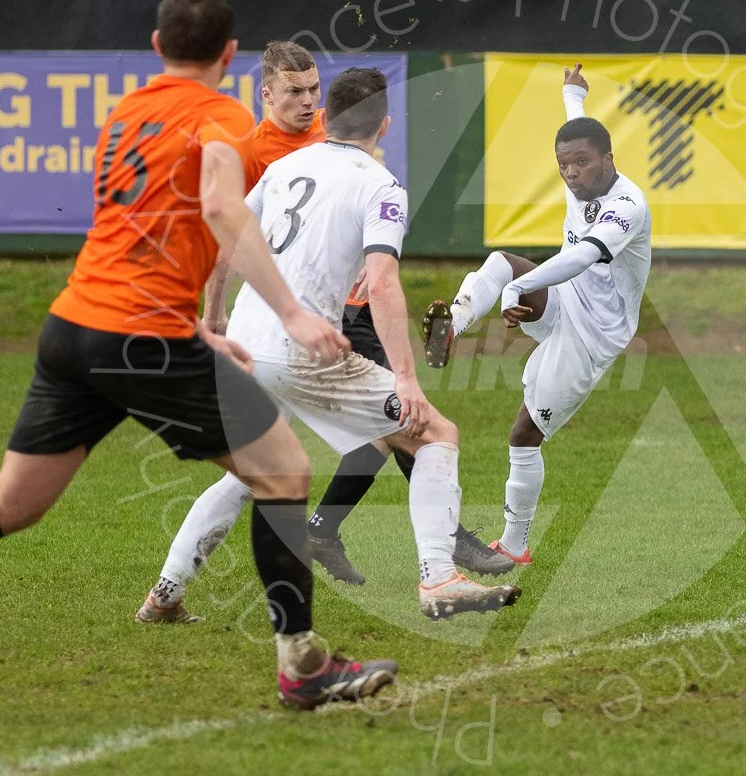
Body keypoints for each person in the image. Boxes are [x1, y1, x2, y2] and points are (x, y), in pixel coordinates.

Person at [0, 0, 395, 712]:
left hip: (75, 325)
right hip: (141, 335)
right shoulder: (219, 115)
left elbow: (135, 228)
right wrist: (292, 314)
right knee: (283, 470)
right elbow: (219, 207)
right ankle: (303, 667)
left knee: (12, 500)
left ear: (157, 46)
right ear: (231, 54)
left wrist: (199, 323)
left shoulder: (126, 111)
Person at [140, 46, 506, 611]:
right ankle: (439, 579)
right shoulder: (382, 185)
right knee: (435, 433)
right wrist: (406, 378)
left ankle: (165, 594)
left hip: (249, 344)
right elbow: (382, 284)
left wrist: (213, 318)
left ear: (326, 115)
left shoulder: (285, 168)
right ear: (385, 125)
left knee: (249, 475)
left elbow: (225, 243)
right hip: (301, 350)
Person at [421, 62, 653, 567]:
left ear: (608, 159)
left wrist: (522, 287)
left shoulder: (628, 205)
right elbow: (575, 129)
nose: (571, 173)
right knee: (501, 262)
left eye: (581, 163)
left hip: (593, 336)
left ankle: (515, 545)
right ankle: (452, 328)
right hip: (564, 298)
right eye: (563, 165)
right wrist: (573, 95)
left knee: (524, 435)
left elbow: (584, 256)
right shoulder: (581, 173)